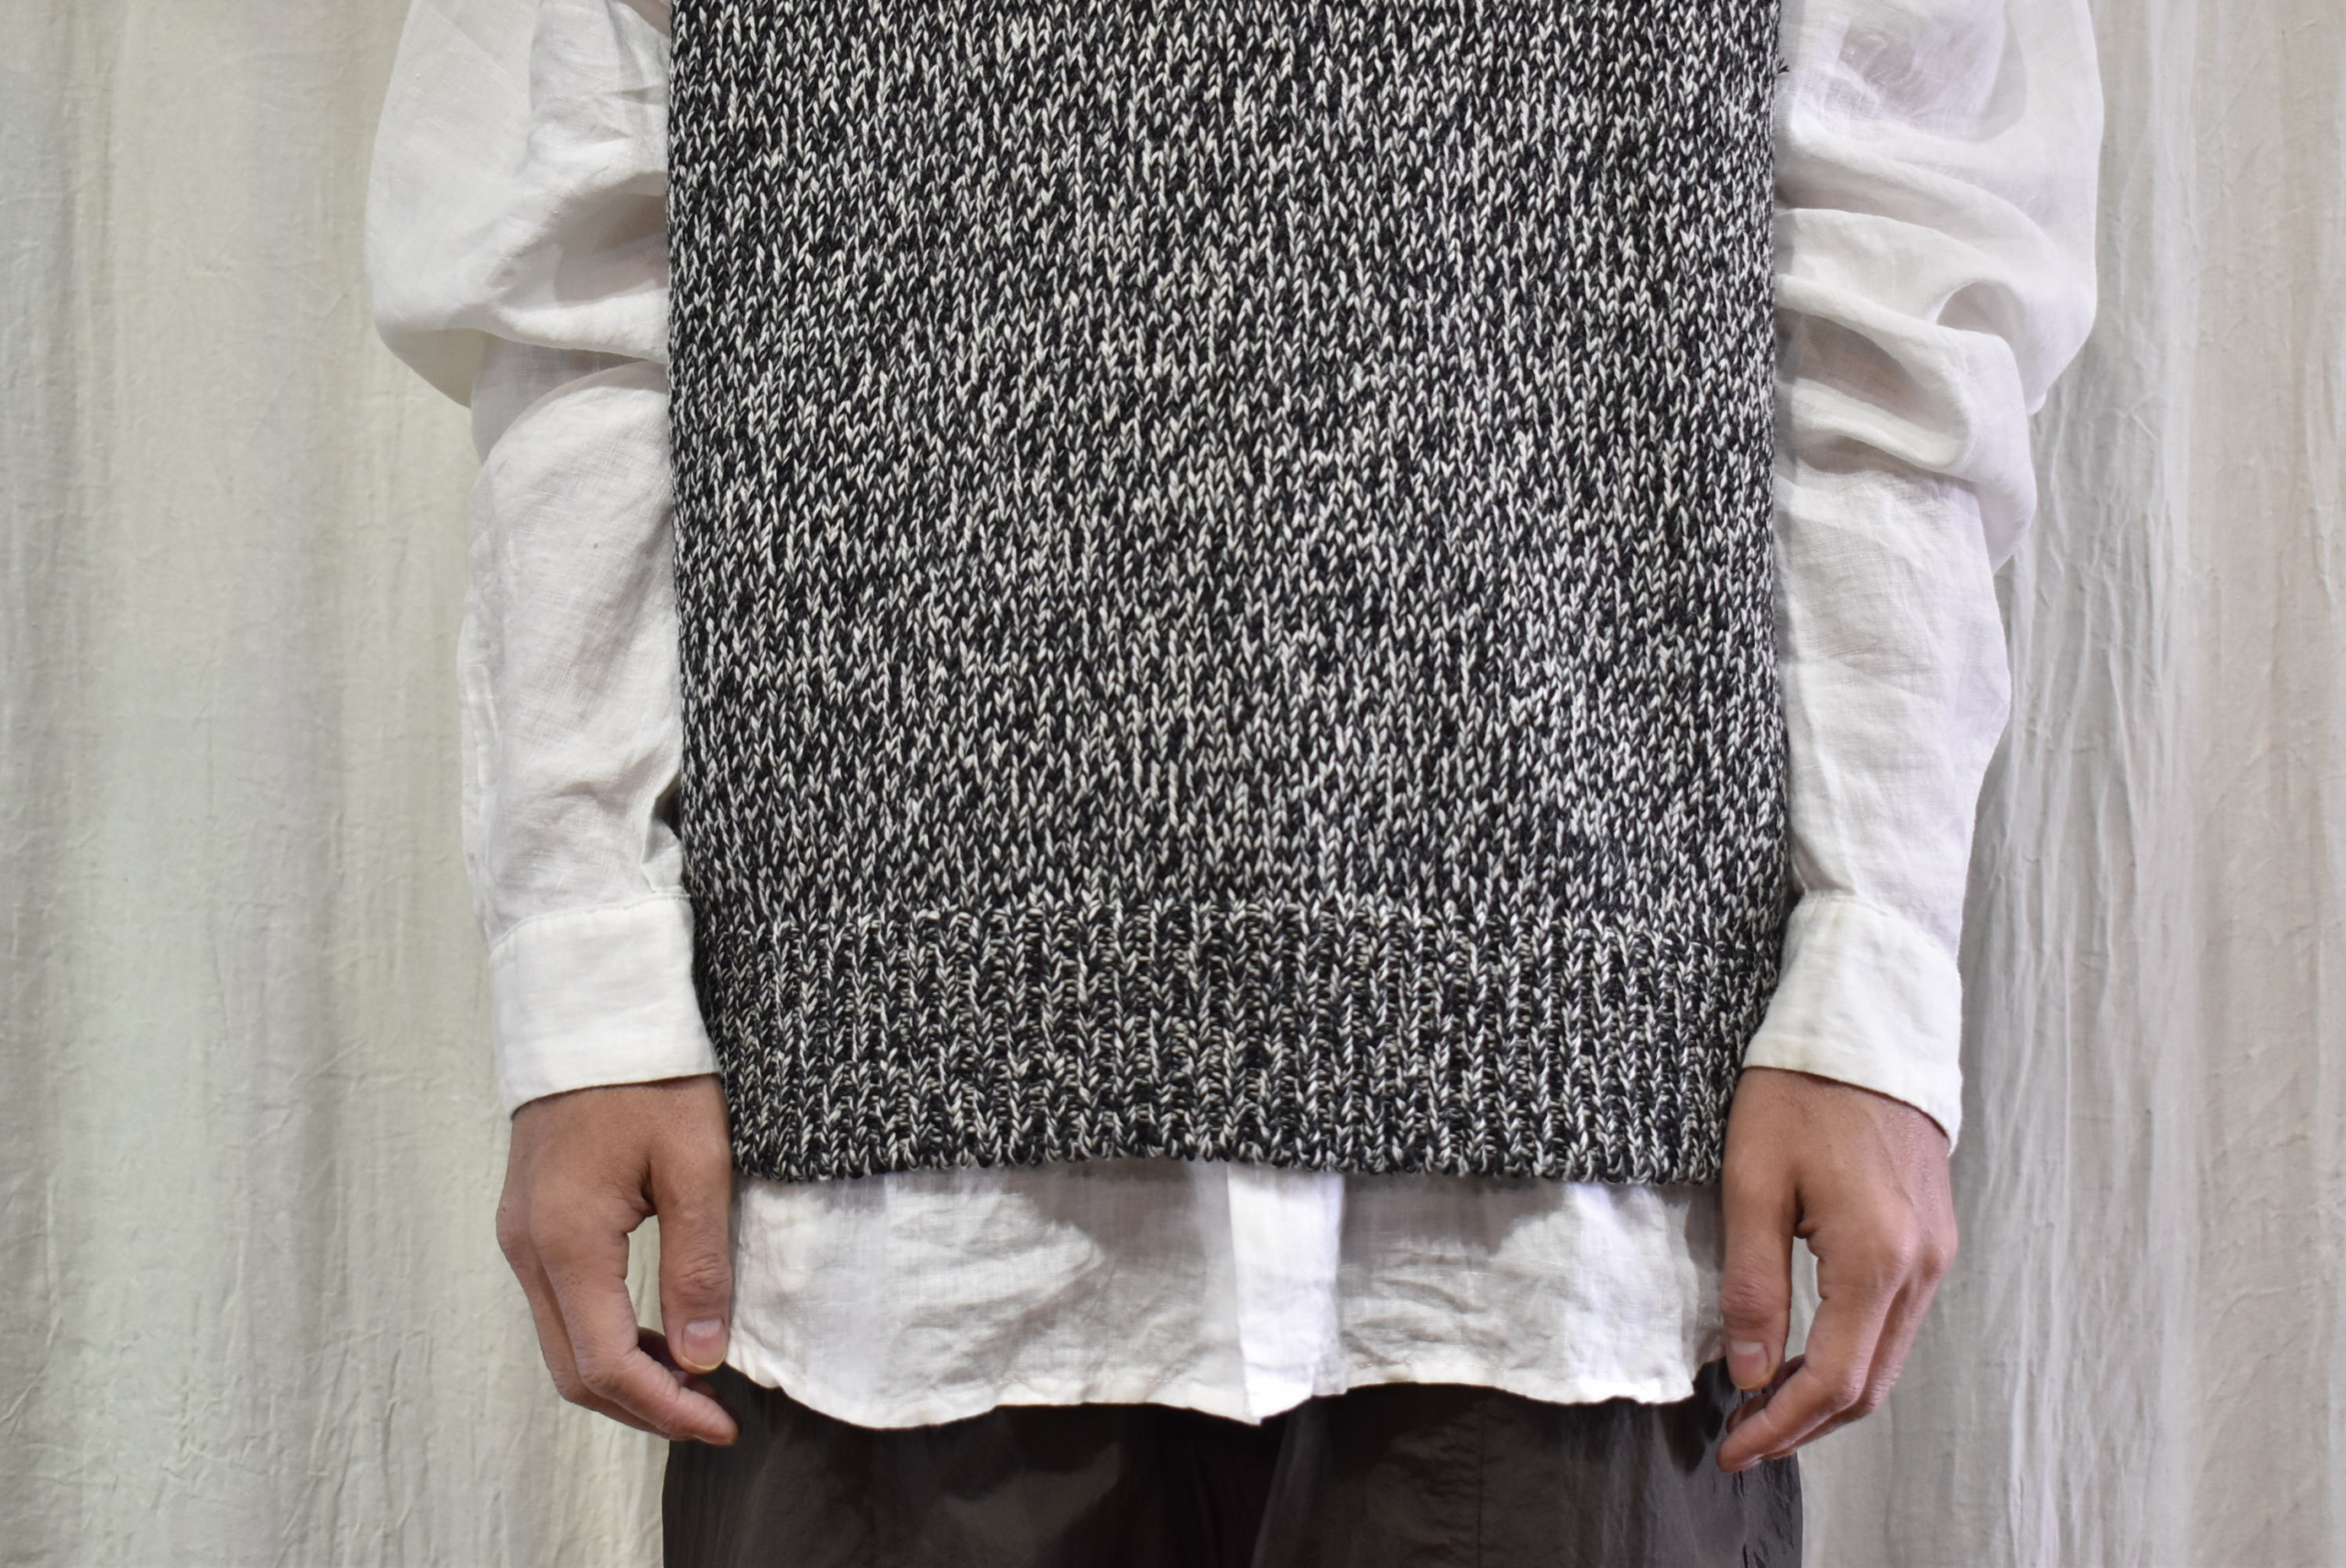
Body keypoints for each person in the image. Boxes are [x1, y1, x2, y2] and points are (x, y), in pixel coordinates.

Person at [365, 0, 2101, 1561]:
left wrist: (1871, 976)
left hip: (1562, 1141)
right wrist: (586, 977)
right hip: (886, 1156)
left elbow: (1897, 298)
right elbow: (580, 296)